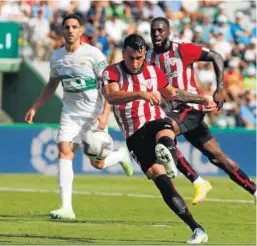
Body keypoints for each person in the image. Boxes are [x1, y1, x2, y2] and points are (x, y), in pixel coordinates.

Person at [102, 34, 217, 244]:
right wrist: (140, 94)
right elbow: (111, 96)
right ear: (123, 53)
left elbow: (172, 93)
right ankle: (197, 228)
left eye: (139, 58)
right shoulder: (111, 72)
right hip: (133, 134)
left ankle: (169, 155)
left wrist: (201, 98)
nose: (135, 63)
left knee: (164, 129)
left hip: (153, 120)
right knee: (163, 182)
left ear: (144, 54)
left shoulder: (154, 71)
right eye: (130, 58)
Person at [24, 14, 133, 220]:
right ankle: (67, 208)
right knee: (64, 150)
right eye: (67, 27)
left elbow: (109, 87)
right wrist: (35, 107)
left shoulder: (94, 55)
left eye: (75, 27)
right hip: (70, 113)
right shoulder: (57, 57)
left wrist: (104, 112)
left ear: (81, 30)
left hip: (93, 114)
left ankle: (120, 156)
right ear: (62, 31)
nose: (71, 30)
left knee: (97, 164)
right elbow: (51, 85)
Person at [146, 17, 256, 203]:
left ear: (169, 31)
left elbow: (216, 56)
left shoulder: (182, 50)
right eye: (153, 30)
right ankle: (254, 190)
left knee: (162, 132)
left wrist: (219, 88)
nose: (156, 34)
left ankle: (197, 181)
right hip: (176, 111)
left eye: (160, 30)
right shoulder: (148, 58)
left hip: (192, 108)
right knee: (217, 157)